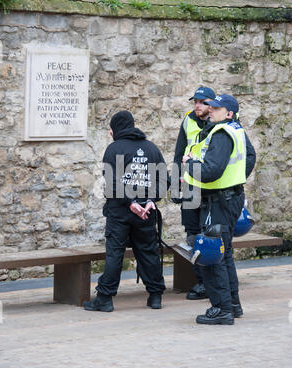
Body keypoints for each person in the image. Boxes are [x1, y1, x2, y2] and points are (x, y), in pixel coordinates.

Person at [83, 111, 169, 312]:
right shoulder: (151, 148)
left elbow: (111, 182)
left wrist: (130, 202)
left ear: (114, 130)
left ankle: (105, 298)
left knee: (115, 253)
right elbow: (164, 179)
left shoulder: (113, 149)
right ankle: (155, 296)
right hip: (146, 213)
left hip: (120, 212)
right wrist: (150, 200)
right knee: (148, 252)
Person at [183, 94, 256, 325]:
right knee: (224, 255)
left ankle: (222, 309)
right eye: (211, 106)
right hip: (227, 197)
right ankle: (232, 305)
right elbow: (249, 157)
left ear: (229, 113)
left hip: (219, 201)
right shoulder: (236, 129)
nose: (210, 110)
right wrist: (235, 180)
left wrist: (190, 166)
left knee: (212, 254)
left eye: (216, 108)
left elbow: (211, 170)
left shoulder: (222, 132)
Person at [173, 86, 216, 300]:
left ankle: (214, 283)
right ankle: (201, 282)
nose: (197, 105)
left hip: (210, 187)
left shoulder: (220, 123)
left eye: (202, 102)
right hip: (190, 186)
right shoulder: (188, 120)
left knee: (209, 234)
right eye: (195, 102)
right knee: (191, 234)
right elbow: (178, 153)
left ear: (212, 104)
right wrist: (173, 185)